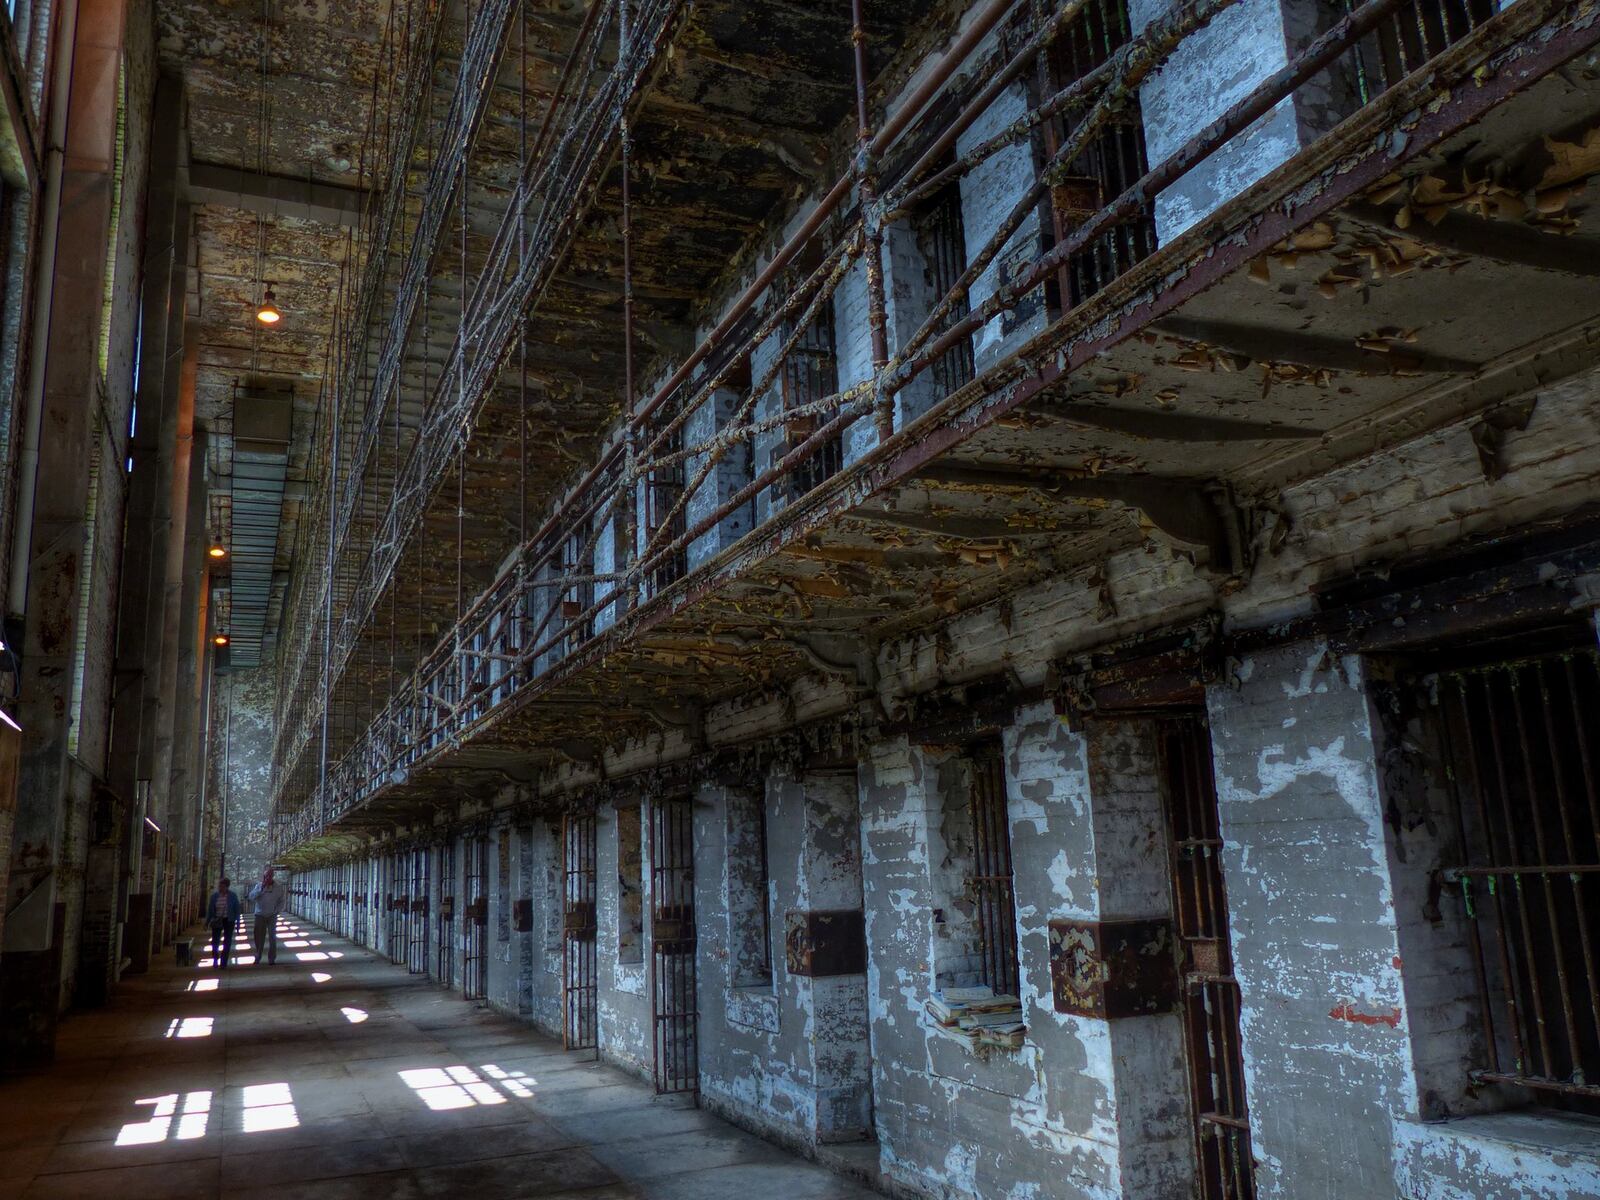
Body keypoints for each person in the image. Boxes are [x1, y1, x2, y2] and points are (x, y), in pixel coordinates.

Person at [248, 868, 287, 965]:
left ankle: (272, 958)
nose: (268, 878)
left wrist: (277, 911)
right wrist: (261, 889)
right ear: (264, 877)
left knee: (272, 937)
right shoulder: (259, 886)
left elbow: (282, 900)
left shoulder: (278, 887)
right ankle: (258, 955)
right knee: (258, 937)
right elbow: (251, 897)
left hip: (272, 915)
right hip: (260, 915)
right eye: (266, 876)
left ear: (272, 876)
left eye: (270, 876)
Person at [204, 877, 241, 969]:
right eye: (219, 885)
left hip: (229, 920)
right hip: (217, 920)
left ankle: (223, 962)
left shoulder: (232, 896)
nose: (219, 887)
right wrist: (207, 922)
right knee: (215, 941)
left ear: (226, 886)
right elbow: (210, 910)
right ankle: (215, 959)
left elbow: (237, 910)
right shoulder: (214, 897)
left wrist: (238, 924)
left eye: (222, 885)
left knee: (227, 941)